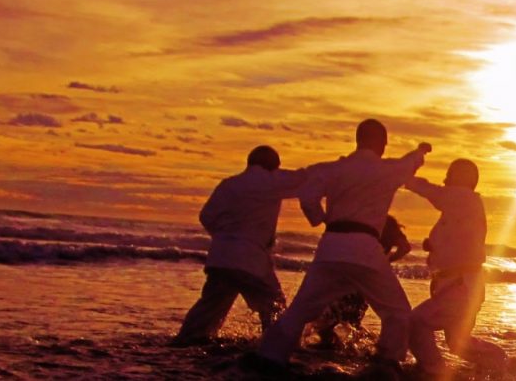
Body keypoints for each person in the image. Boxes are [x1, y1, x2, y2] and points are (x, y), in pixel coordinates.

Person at [244, 119, 431, 378]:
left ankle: (270, 356)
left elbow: (307, 194)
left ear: (358, 140)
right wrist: (421, 151)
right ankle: (387, 362)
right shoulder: (387, 170)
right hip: (365, 248)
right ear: (382, 143)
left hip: (331, 245)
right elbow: (409, 163)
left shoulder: (334, 169)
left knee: (301, 309)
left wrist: (319, 218)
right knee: (396, 311)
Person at [173, 145, 306, 345]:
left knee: (210, 306)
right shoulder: (272, 181)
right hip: (251, 258)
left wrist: (223, 236)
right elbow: (305, 177)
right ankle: (276, 344)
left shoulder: (228, 184)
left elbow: (206, 216)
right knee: (273, 305)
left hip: (221, 257)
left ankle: (185, 340)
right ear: (274, 166)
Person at [406, 159, 508, 375]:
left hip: (461, 287)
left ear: (463, 178)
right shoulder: (461, 209)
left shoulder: (464, 198)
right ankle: (499, 364)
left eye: (449, 175)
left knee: (415, 322)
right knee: (458, 342)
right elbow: (457, 242)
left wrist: (403, 177)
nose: (445, 180)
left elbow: (432, 191)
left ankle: (433, 370)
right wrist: (434, 245)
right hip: (460, 284)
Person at [312, 215, 412, 350]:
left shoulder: (365, 221)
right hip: (369, 278)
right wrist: (385, 261)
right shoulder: (389, 224)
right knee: (352, 319)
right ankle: (357, 347)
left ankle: (338, 346)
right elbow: (405, 247)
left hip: (349, 274)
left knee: (331, 316)